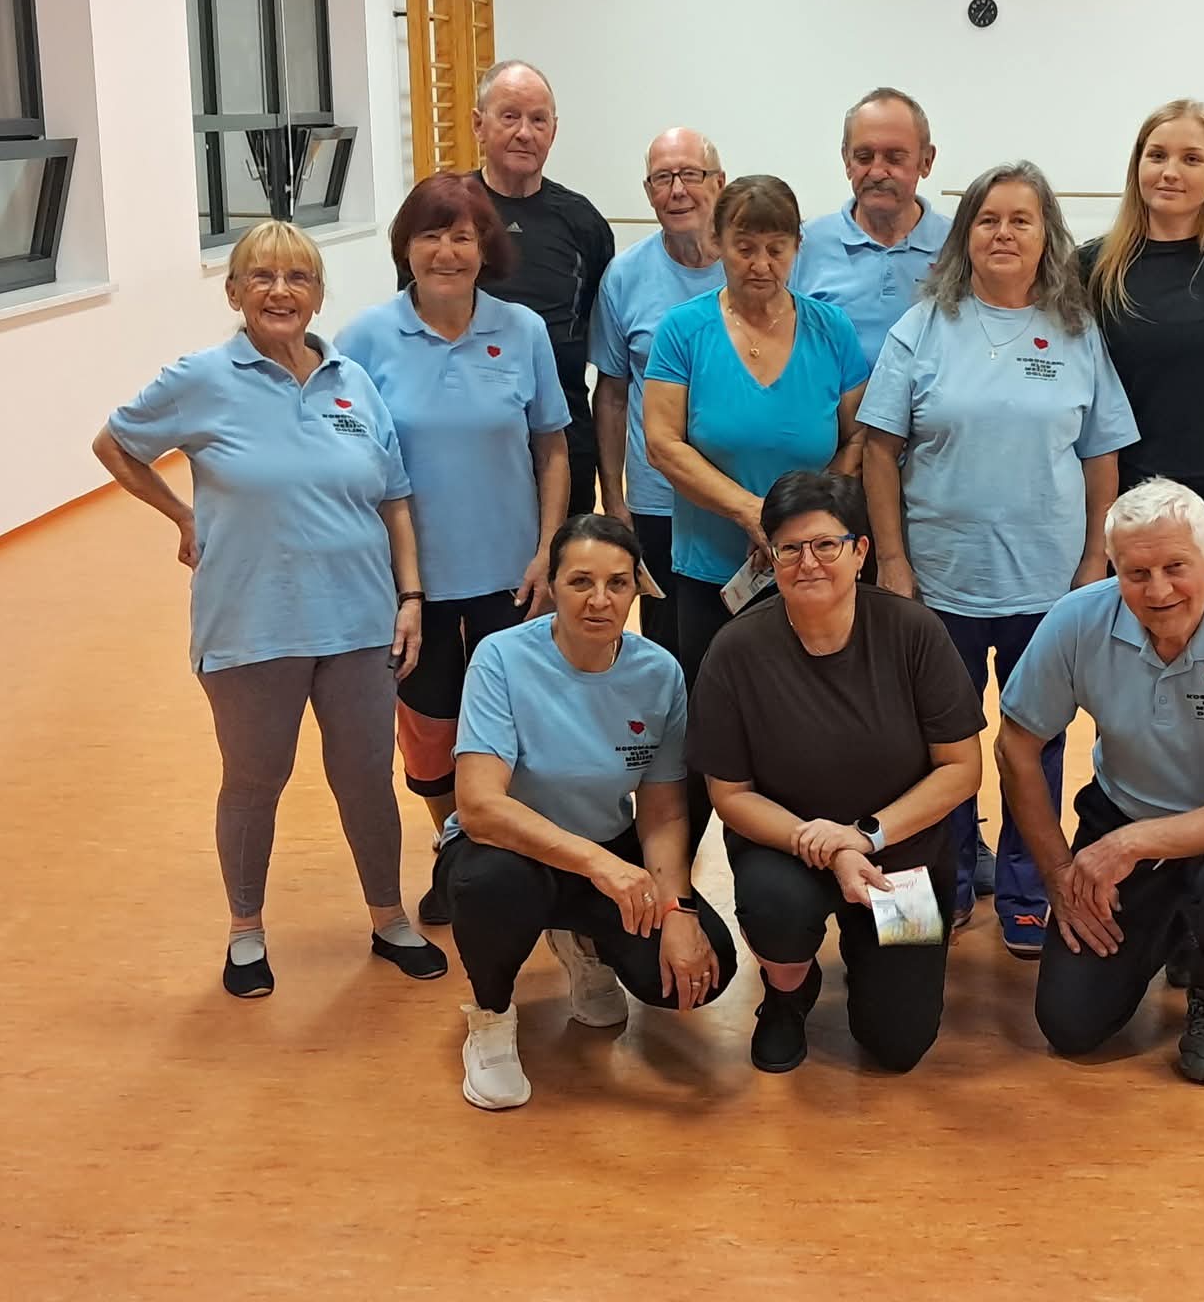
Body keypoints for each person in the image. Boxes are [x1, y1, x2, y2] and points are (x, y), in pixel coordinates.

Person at [89, 220, 447, 998]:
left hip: (358, 621)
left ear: (318, 294)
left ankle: (388, 917)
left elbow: (394, 498)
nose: (280, 292)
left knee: (366, 777)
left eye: (298, 278)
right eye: (262, 277)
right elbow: (115, 444)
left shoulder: (352, 380)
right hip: (252, 623)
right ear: (233, 292)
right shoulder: (202, 378)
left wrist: (410, 596)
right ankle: (245, 932)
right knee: (255, 779)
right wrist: (183, 516)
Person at [859, 161, 1136, 956]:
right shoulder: (923, 327)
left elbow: (1101, 457)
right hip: (939, 583)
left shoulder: (1076, 331)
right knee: (934, 747)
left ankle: (1026, 887)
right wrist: (893, 564)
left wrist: (1094, 561)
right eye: (987, 219)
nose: (1004, 233)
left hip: (1045, 586)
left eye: (1021, 219)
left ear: (1047, 235)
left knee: (1033, 742)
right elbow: (878, 451)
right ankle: (945, 884)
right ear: (965, 235)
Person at [996, 479, 1204, 1083]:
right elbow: (1016, 743)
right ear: (1113, 567)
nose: (1159, 591)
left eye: (1176, 567)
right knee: (1070, 1025)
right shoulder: (1077, 620)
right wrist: (1058, 873)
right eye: (1137, 573)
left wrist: (1131, 844)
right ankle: (1173, 925)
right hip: (1123, 811)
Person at [436, 515, 738, 1110]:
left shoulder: (659, 673)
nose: (600, 600)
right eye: (580, 582)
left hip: (606, 847)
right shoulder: (501, 658)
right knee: (489, 886)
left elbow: (663, 812)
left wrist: (676, 909)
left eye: (617, 583)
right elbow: (479, 807)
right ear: (551, 584)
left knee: (704, 973)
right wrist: (600, 866)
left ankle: (584, 944)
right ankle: (491, 1016)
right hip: (508, 851)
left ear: (636, 589)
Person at [336, 170, 570, 927]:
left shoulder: (521, 331)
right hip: (412, 583)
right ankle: (455, 851)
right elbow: (341, 456)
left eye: (462, 236)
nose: (446, 251)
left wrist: (548, 551)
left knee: (516, 724)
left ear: (485, 248)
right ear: (405, 247)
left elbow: (552, 449)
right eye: (430, 235)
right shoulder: (365, 339)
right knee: (431, 727)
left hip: (511, 575)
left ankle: (524, 859)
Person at [692, 473, 984, 1074]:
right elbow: (731, 795)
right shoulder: (736, 649)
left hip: (898, 855)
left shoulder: (913, 631)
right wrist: (830, 847)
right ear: (770, 557)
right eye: (789, 548)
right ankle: (786, 993)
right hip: (786, 851)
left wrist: (864, 837)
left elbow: (962, 769)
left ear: (860, 551)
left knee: (898, 1045)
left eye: (826, 544)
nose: (808, 563)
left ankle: (868, 947)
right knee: (774, 906)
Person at [643, 174, 869, 692]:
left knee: (813, 705)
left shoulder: (832, 329)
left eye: (776, 249)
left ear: (797, 247)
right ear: (717, 242)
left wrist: (797, 524)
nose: (761, 264)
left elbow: (858, 438)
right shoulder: (683, 330)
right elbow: (663, 444)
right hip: (713, 571)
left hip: (814, 565)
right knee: (716, 706)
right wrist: (751, 513)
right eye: (744, 248)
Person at [1084, 99, 1204, 584]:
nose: (1170, 172)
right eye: (1157, 156)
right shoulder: (1094, 266)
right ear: (1137, 166)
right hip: (1133, 487)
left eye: (1191, 158)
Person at [590, 128, 728, 656]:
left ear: (719, 181)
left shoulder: (752, 265)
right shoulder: (625, 275)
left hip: (747, 491)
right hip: (658, 500)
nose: (677, 191)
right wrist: (614, 497)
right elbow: (612, 393)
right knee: (671, 645)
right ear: (648, 192)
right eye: (662, 178)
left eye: (690, 174)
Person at [471, 59, 616, 516]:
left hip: (565, 439)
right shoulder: (445, 213)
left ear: (554, 130)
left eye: (538, 120)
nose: (524, 133)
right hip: (467, 442)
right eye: (509, 116)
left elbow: (595, 330)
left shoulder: (583, 222)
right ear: (478, 124)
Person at [791, 87, 951, 367]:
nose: (877, 172)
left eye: (894, 158)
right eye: (864, 157)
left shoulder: (959, 245)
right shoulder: (803, 245)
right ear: (846, 161)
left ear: (926, 161)